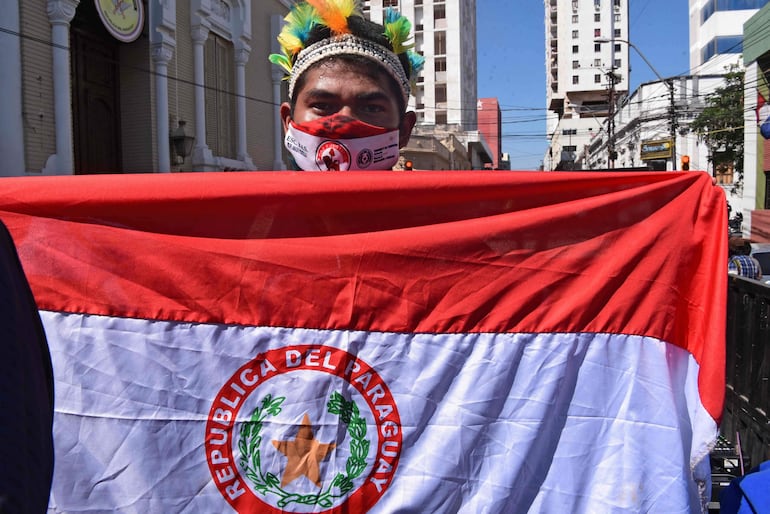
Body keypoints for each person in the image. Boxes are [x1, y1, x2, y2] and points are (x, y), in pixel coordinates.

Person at [269, 0, 424, 171]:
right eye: (322, 105)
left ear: (404, 130)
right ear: (287, 122)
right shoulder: (248, 197)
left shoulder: (441, 199)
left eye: (372, 108)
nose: (345, 122)